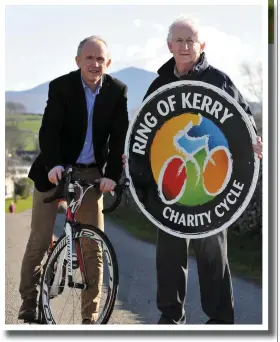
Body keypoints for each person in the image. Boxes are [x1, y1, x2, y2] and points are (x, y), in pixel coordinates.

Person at [123, 16, 263, 324]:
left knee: (213, 256)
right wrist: (131, 160)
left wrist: (256, 142)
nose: (186, 46)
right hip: (171, 189)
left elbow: (244, 122)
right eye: (180, 40)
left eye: (191, 40)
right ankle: (170, 319)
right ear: (170, 45)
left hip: (213, 189)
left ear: (202, 45)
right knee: (169, 258)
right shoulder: (160, 84)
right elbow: (146, 133)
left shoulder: (219, 81)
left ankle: (220, 322)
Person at [18, 35, 129, 324]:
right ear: (77, 61)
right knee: (40, 240)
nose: (94, 64)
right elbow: (49, 131)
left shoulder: (117, 91)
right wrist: (54, 164)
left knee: (94, 247)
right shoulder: (61, 87)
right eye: (89, 58)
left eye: (100, 59)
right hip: (54, 169)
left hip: (92, 172)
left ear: (108, 63)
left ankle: (90, 318)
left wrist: (112, 177)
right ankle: (29, 303)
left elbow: (119, 140)